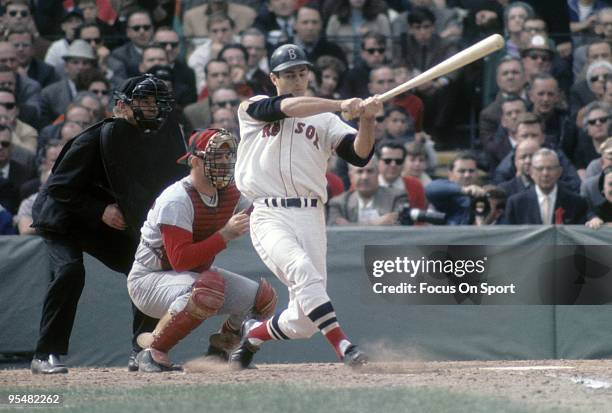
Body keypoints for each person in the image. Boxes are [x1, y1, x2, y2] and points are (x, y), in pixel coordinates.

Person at [230, 43, 381, 369]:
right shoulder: (253, 107)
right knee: (300, 268)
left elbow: (359, 154)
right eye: (288, 75)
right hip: (269, 212)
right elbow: (289, 107)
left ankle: (253, 334)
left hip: (311, 214)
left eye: (301, 73)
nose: (297, 79)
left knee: (304, 322)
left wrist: (367, 120)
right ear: (274, 78)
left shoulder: (325, 119)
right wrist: (343, 104)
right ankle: (345, 347)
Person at [29, 74, 185, 374]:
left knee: (146, 270)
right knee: (70, 272)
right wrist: (100, 210)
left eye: (154, 101)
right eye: (142, 100)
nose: (150, 107)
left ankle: (143, 351)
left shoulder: (162, 138)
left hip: (110, 224)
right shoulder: (93, 138)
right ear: (120, 107)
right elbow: (58, 188)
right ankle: (45, 354)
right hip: (64, 219)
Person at [128, 128, 277, 372]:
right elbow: (180, 260)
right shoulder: (177, 199)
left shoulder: (231, 192)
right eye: (218, 157)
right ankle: (152, 352)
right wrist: (225, 234)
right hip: (148, 279)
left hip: (194, 278)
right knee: (208, 288)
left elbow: (261, 215)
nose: (226, 163)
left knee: (263, 299)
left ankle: (219, 352)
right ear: (196, 161)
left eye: (229, 157)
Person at [505, 148, 588, 225]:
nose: (545, 173)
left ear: (559, 172)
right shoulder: (516, 204)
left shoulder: (576, 202)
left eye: (550, 168)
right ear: (531, 172)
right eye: (540, 169)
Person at [327, 155, 407, 225]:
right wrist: (376, 223)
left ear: (378, 173)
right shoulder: (338, 203)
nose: (365, 177)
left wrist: (349, 225)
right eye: (360, 172)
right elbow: (335, 230)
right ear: (350, 176)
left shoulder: (397, 197)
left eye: (370, 171)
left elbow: (398, 226)